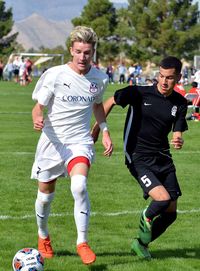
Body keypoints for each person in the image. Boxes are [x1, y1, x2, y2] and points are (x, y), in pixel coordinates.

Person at [91, 56, 188, 260]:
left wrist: (178, 140)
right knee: (161, 199)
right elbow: (110, 101)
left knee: (171, 213)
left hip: (163, 158)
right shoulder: (139, 92)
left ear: (178, 77)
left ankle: (141, 243)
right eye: (161, 76)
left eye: (169, 78)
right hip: (138, 156)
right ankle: (147, 215)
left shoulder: (179, 102)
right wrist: (99, 129)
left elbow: (177, 132)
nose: (163, 81)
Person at [31, 26, 113, 265]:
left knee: (79, 186)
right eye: (78, 51)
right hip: (52, 141)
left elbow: (97, 105)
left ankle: (82, 242)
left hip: (79, 141)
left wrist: (105, 131)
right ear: (71, 50)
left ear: (93, 52)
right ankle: (43, 236)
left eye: (87, 52)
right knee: (45, 196)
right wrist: (37, 116)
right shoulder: (55, 74)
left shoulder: (99, 78)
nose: (82, 57)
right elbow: (39, 106)